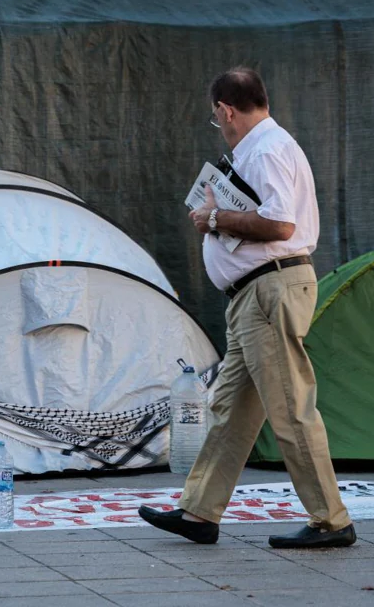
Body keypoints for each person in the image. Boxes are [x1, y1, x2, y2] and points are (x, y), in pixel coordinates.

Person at [139, 67, 355, 549]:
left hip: (268, 291)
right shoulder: (266, 147)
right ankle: (199, 512)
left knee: (292, 410)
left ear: (226, 110)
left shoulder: (266, 149)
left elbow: (279, 224)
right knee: (230, 410)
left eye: (218, 117)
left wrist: (214, 217)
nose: (220, 125)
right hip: (255, 296)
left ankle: (331, 520)